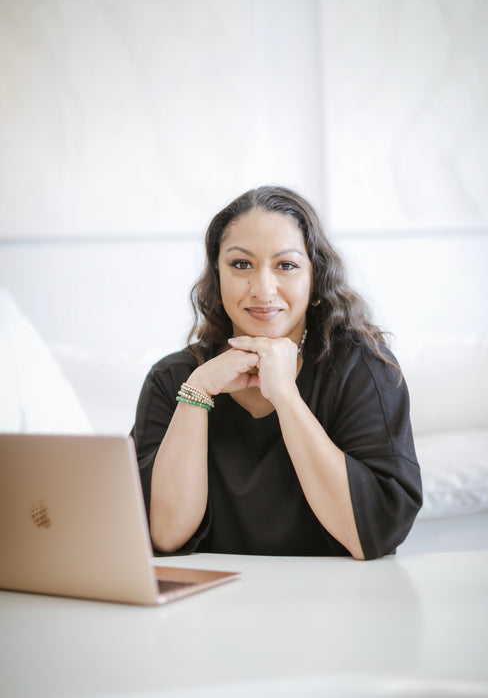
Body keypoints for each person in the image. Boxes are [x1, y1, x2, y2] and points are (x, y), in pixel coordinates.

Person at [132, 186, 422, 560]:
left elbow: (372, 534)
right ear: (217, 276)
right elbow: (165, 534)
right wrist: (197, 392)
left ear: (315, 280)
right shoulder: (172, 378)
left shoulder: (363, 369)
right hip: (218, 595)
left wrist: (284, 394)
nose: (263, 289)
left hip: (333, 594)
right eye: (241, 265)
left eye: (286, 265)